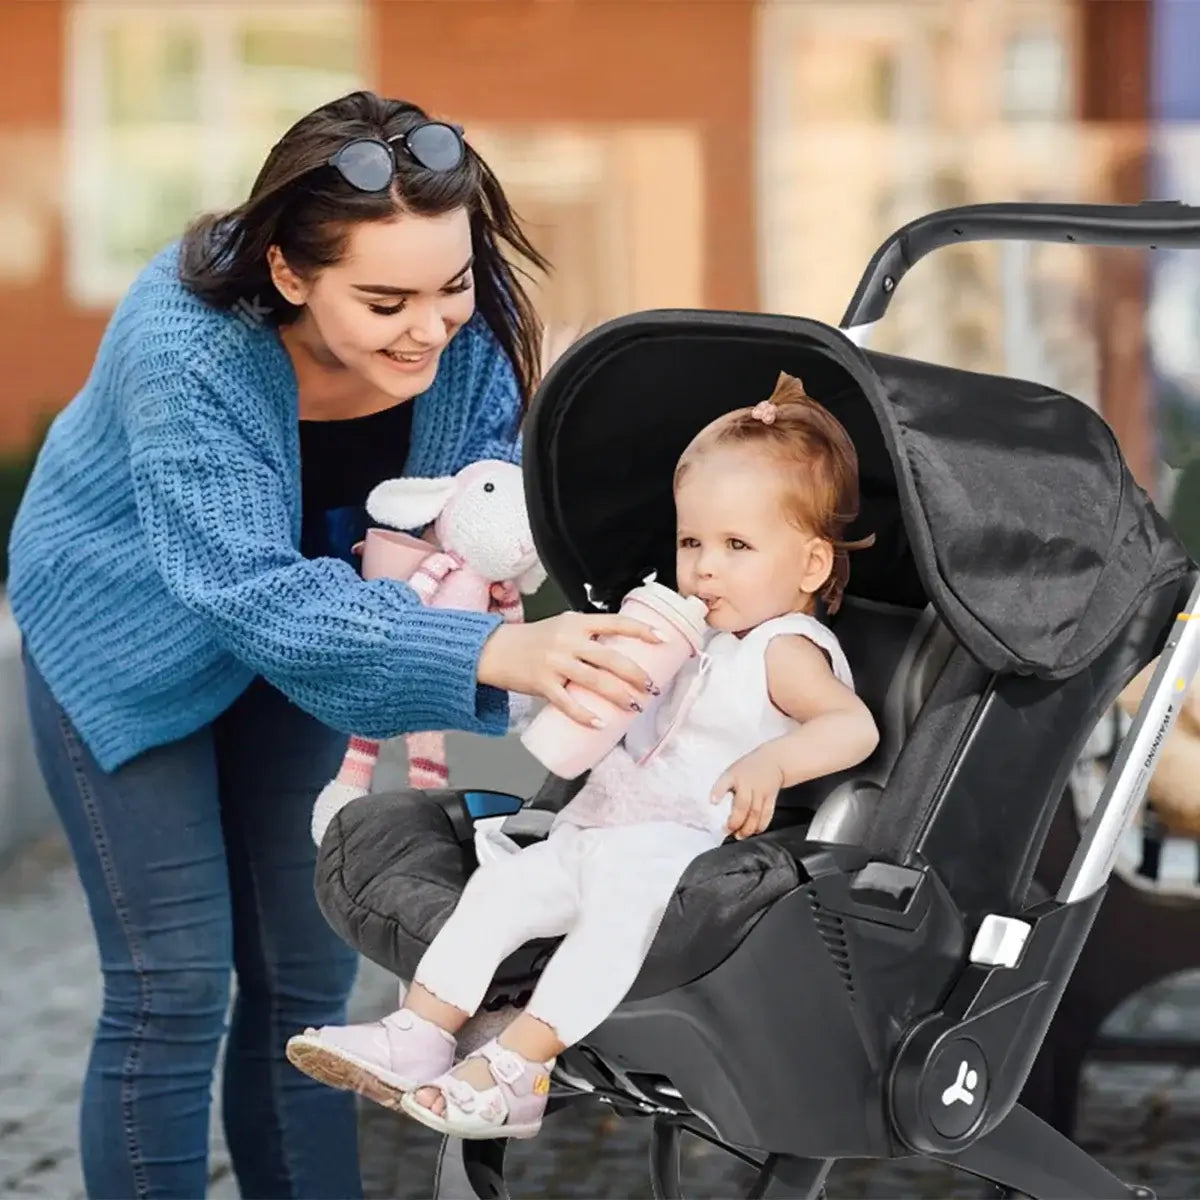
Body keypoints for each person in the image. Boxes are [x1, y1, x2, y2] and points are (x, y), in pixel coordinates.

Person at [7, 90, 660, 1199]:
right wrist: (489, 659)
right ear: (288, 270)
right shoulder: (186, 336)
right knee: (171, 985)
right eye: (386, 297)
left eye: (452, 283)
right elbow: (246, 587)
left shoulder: (470, 324)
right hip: (124, 631)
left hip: (313, 639)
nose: (432, 323)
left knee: (307, 983)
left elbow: (477, 519)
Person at [285, 371, 882, 1141]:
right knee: (498, 897)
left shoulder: (783, 649)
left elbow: (852, 728)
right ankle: (421, 1030)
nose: (703, 568)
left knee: (612, 931)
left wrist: (774, 764)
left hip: (680, 853)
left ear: (808, 566)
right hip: (598, 827)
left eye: (737, 546)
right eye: (691, 541)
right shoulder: (684, 634)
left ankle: (519, 1065)